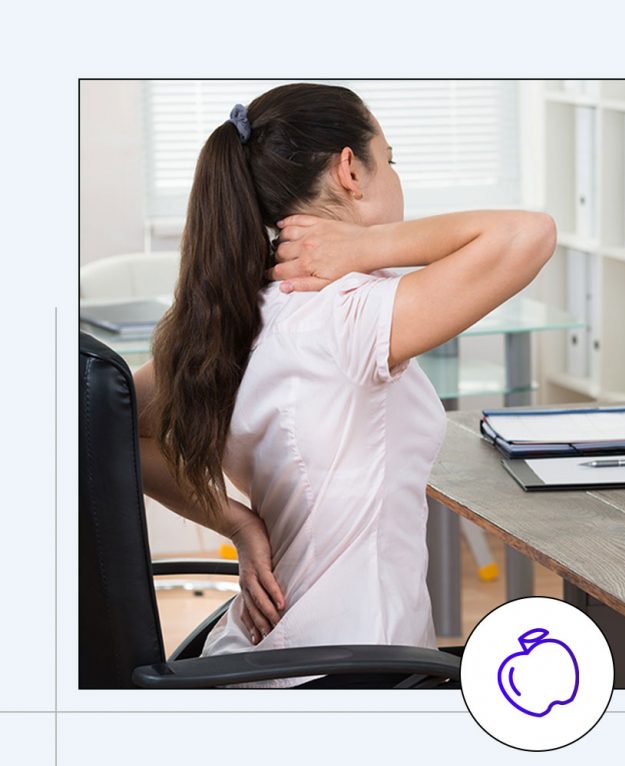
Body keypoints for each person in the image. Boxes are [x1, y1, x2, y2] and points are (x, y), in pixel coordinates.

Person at [133, 83, 556, 688]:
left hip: (250, 662)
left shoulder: (229, 314)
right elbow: (529, 234)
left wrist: (239, 525)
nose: (395, 174)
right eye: (390, 157)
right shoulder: (344, 312)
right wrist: (367, 245)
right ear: (350, 171)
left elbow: (110, 422)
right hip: (353, 670)